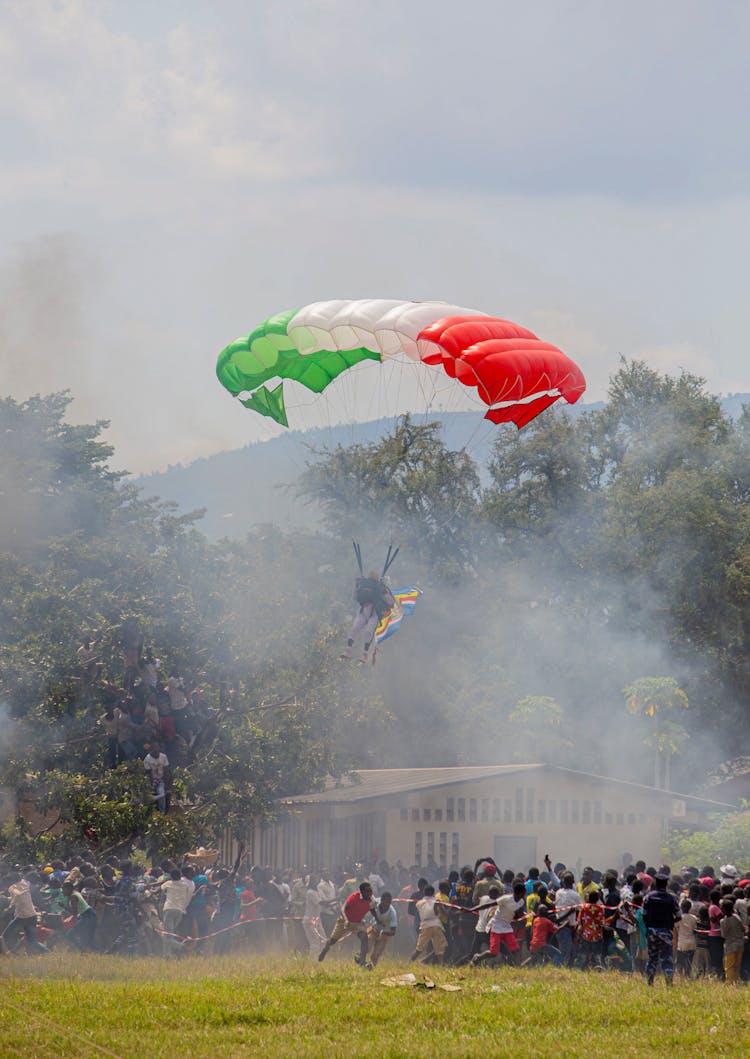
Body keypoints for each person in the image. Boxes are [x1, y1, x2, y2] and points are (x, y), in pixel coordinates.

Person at [343, 571, 395, 663]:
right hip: (363, 611)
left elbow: (391, 602)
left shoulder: (380, 588)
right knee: (355, 628)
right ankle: (348, 650)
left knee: (368, 632)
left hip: (374, 613)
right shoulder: (363, 585)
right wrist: (357, 586)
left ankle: (365, 654)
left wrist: (384, 591)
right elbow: (355, 597)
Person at [318, 881, 374, 965]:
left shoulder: (371, 899)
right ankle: (324, 950)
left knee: (364, 937)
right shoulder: (354, 897)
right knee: (332, 941)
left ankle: (362, 962)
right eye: (367, 891)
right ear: (362, 892)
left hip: (357, 923)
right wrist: (346, 920)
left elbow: (373, 910)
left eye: (370, 890)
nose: (370, 893)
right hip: (344, 921)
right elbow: (343, 909)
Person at [471, 882, 526, 967]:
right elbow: (488, 905)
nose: (524, 895)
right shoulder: (506, 899)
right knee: (494, 952)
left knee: (516, 949)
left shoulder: (521, 902)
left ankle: (518, 967)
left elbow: (518, 914)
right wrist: (471, 909)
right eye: (523, 893)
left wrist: (523, 917)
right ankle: (478, 957)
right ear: (519, 892)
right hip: (496, 926)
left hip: (507, 927)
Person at [643, 873, 681, 986]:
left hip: (651, 932)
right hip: (665, 932)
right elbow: (679, 915)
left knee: (652, 958)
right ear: (666, 885)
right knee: (667, 959)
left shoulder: (649, 897)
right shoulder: (671, 898)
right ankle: (669, 983)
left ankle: (649, 982)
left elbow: (644, 915)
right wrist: (670, 923)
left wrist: (649, 926)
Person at [1, 870, 48, 955]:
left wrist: (9, 907)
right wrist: (7, 898)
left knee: (5, 935)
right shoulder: (25, 884)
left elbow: (17, 895)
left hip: (22, 917)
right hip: (32, 916)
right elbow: (17, 897)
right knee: (32, 941)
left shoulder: (12, 888)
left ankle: (7, 954)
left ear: (12, 880)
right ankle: (48, 952)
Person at [158, 868, 195, 955]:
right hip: (180, 911)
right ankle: (166, 955)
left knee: (167, 935)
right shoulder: (185, 885)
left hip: (169, 909)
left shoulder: (168, 883)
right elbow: (188, 897)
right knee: (169, 935)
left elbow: (160, 888)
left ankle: (181, 947)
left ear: (171, 876)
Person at [411, 884, 448, 965]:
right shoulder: (436, 901)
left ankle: (410, 962)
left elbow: (419, 908)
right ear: (433, 892)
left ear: (424, 892)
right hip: (436, 925)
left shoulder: (419, 903)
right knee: (439, 949)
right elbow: (440, 911)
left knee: (419, 949)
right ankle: (441, 964)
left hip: (425, 925)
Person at [554, 871, 582, 967]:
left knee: (570, 952)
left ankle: (568, 969)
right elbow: (580, 909)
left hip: (560, 925)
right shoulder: (575, 895)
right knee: (565, 952)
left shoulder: (558, 893)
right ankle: (558, 969)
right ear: (573, 882)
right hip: (568, 926)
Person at [61, 881, 97, 951]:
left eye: (63, 889)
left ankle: (82, 950)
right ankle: (87, 951)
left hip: (88, 916)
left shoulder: (73, 897)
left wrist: (63, 906)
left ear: (68, 889)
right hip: (89, 915)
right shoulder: (76, 893)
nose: (62, 892)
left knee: (70, 935)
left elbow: (74, 912)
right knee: (88, 939)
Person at [366, 891, 398, 968]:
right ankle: (361, 960)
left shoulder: (392, 913)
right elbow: (371, 908)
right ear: (381, 900)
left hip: (385, 934)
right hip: (374, 928)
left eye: (389, 903)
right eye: (385, 902)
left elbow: (393, 931)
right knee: (367, 947)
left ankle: (371, 968)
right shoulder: (376, 902)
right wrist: (377, 919)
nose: (387, 905)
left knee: (375, 955)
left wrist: (384, 933)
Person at [576, 890, 605, 970]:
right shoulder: (600, 909)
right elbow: (602, 923)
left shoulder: (583, 908)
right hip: (597, 935)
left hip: (586, 935)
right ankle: (598, 969)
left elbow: (579, 921)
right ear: (597, 899)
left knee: (583, 955)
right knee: (597, 955)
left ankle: (579, 969)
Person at [719, 898, 745, 984]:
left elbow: (723, 935)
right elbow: (742, 928)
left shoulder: (723, 921)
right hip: (740, 944)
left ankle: (730, 984)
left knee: (729, 967)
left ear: (724, 909)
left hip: (730, 946)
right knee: (737, 966)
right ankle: (736, 982)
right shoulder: (737, 917)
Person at [143, 743, 170, 813]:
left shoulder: (163, 757)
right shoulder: (147, 759)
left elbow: (166, 771)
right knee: (148, 797)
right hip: (151, 780)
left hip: (161, 780)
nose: (156, 750)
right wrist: (151, 785)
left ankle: (162, 813)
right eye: (154, 749)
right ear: (151, 750)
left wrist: (166, 783)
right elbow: (148, 773)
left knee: (162, 795)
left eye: (157, 748)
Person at [675, 898, 697, 977]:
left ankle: (681, 977)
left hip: (682, 943)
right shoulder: (694, 918)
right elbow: (695, 929)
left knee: (681, 962)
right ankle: (688, 976)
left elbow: (675, 927)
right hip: (692, 942)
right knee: (689, 962)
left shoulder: (679, 918)